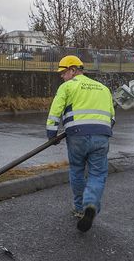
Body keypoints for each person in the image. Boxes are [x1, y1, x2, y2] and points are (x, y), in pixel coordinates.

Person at [46, 55, 115, 232]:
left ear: (73, 70)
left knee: (77, 169)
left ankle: (79, 208)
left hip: (77, 135)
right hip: (101, 135)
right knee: (97, 174)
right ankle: (90, 204)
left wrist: (51, 132)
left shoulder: (67, 86)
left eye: (63, 72)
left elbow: (56, 110)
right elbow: (112, 117)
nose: (62, 76)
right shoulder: (103, 88)